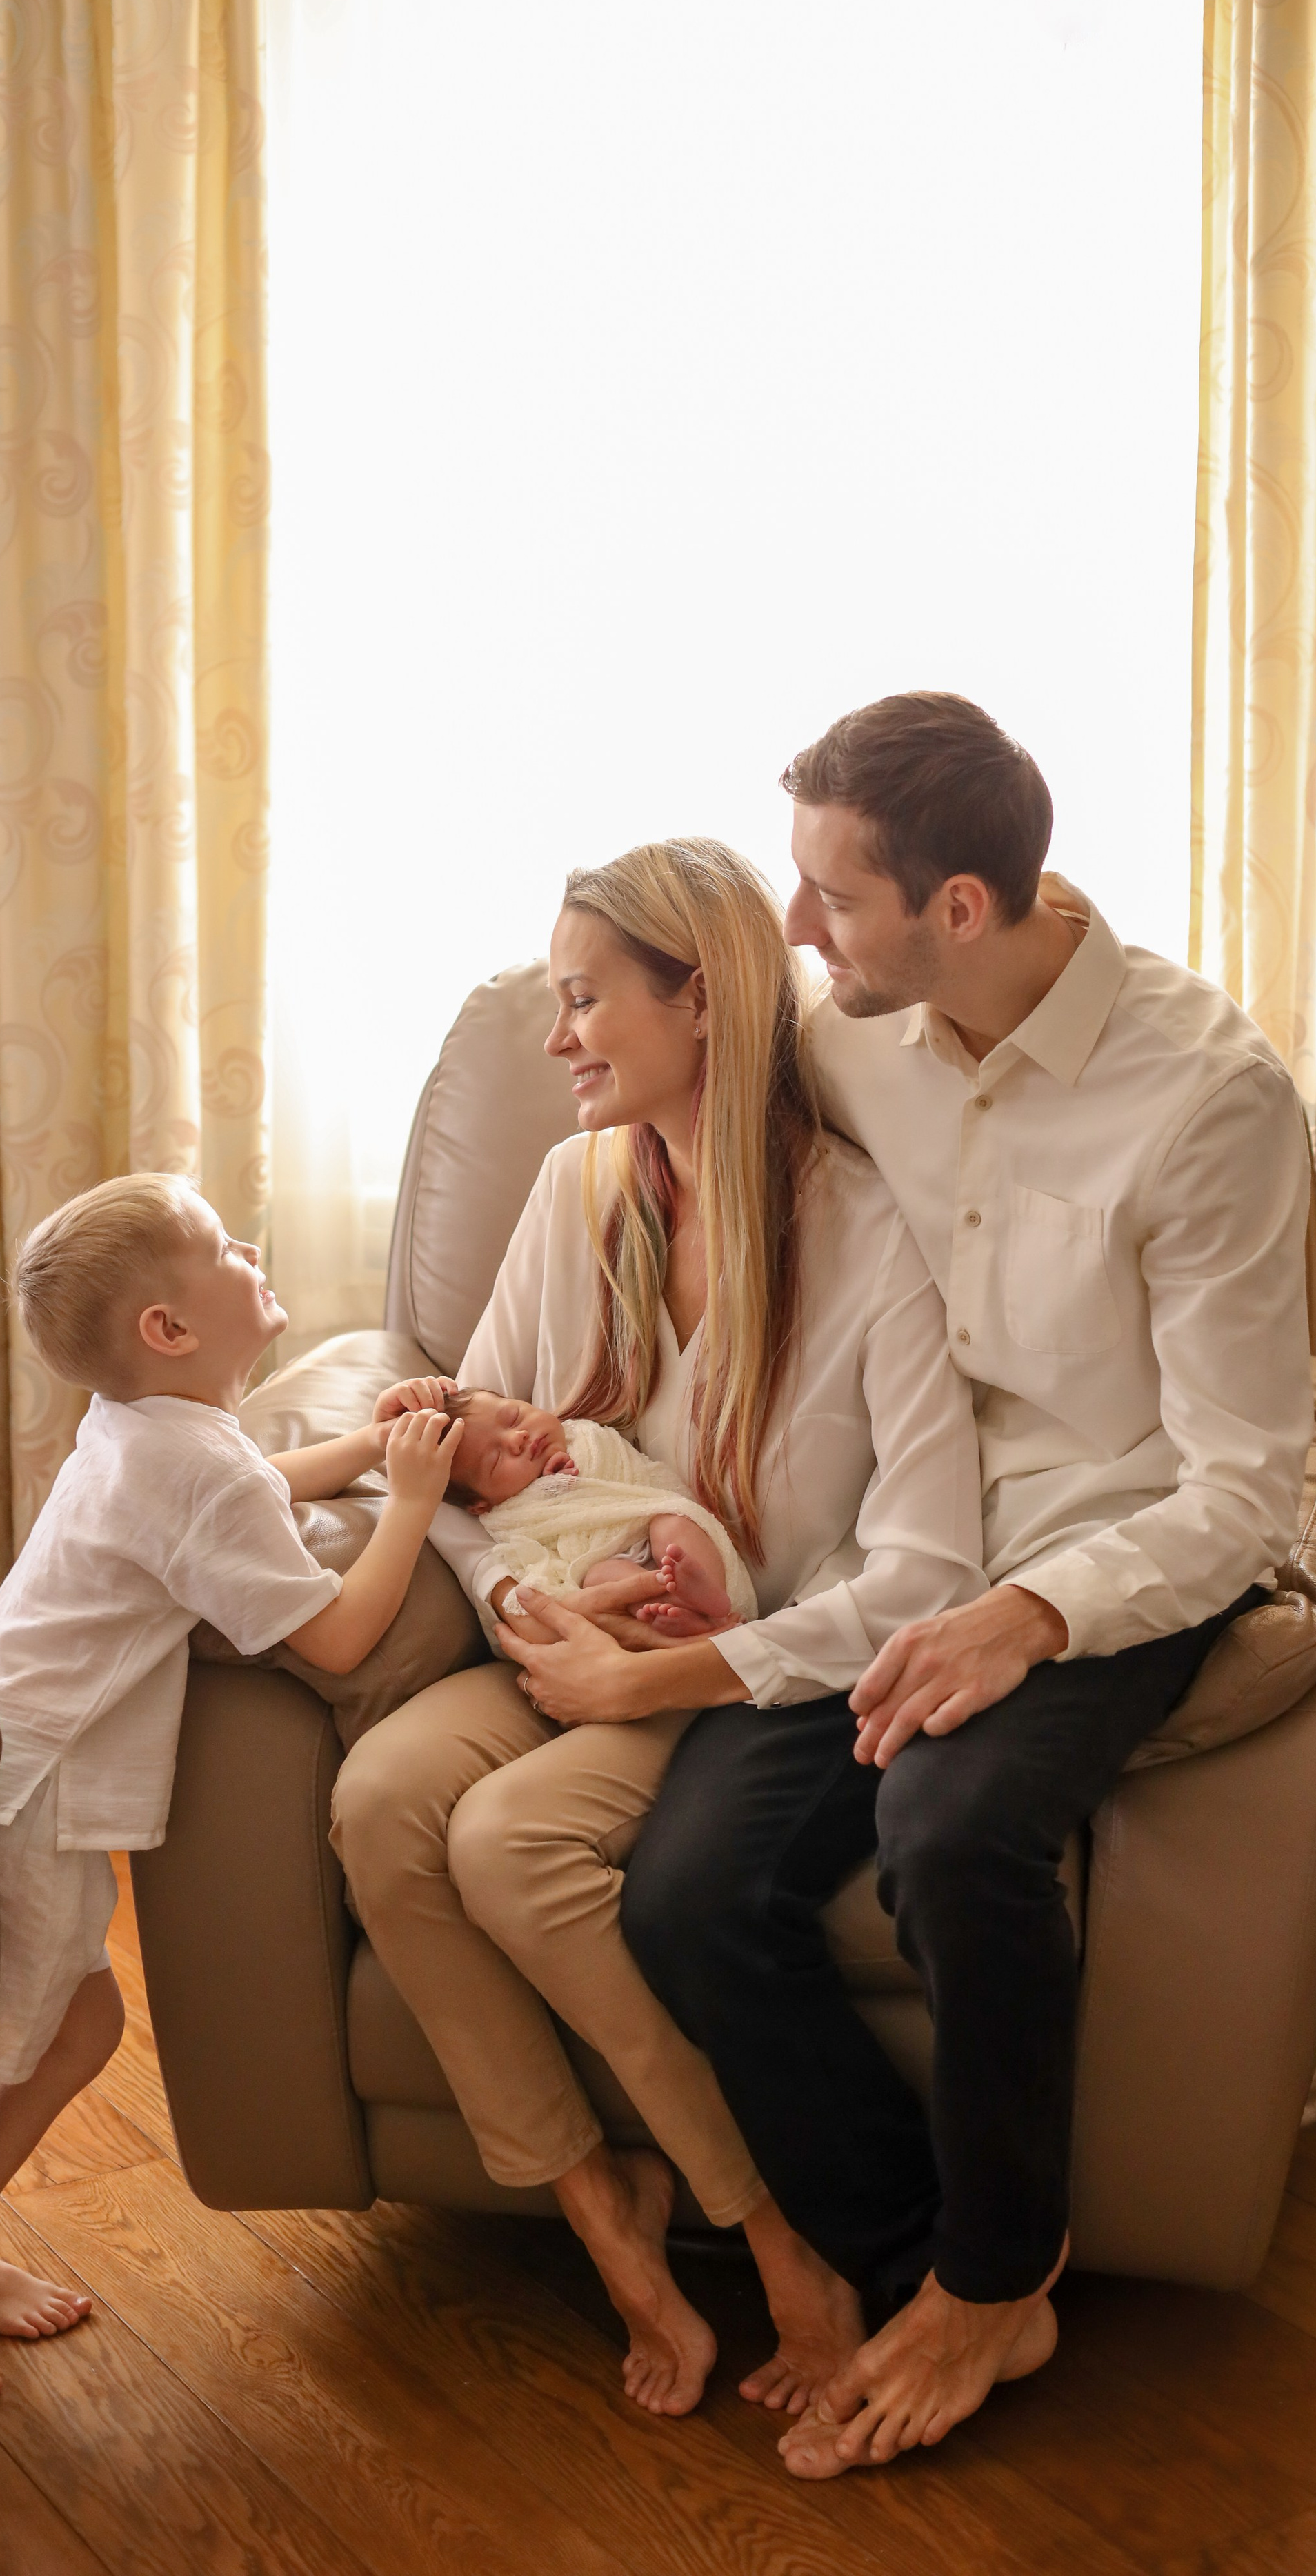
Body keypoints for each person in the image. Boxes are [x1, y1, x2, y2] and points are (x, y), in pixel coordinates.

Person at [604, 691, 1315, 2476]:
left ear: (965, 908)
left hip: (1108, 1558)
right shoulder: (852, 1032)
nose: (795, 929)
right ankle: (934, 2264)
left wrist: (1037, 1614)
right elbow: (660, 1061)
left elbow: (1246, 1487)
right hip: (897, 1550)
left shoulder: (1209, 1100)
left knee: (948, 1832)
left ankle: (995, 2274)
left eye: (831, 896)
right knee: (688, 1893)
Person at [333, 837, 985, 2422]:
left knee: (504, 1842)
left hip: (745, 1670)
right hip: (566, 1633)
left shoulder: (862, 1232)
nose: (557, 1036)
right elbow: (472, 1452)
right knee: (376, 1800)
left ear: (698, 1000)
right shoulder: (578, 1190)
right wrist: (521, 1601)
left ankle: (775, 2238)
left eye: (584, 999)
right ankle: (601, 2206)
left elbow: (927, 1566)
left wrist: (671, 1656)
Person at [0, 1173, 461, 2399]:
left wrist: (371, 1448)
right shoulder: (191, 1467)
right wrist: (411, 1503)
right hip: (32, 1799)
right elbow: (339, 1641)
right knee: (3, 2057)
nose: (251, 1248)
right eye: (224, 1247)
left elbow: (252, 1485)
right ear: (167, 1329)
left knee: (79, 2030)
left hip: (11, 1764)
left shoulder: (149, 1428)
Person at [435, 1382, 756, 1636]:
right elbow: (536, 1542)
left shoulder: (585, 1436)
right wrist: (552, 1488)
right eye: (495, 1459)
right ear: (481, 1504)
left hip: (644, 1524)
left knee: (674, 1523)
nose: (517, 1438)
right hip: (606, 1559)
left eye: (513, 1417)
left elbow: (631, 1475)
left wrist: (578, 1474)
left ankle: (710, 1594)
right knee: (602, 1576)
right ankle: (679, 1610)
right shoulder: (507, 1514)